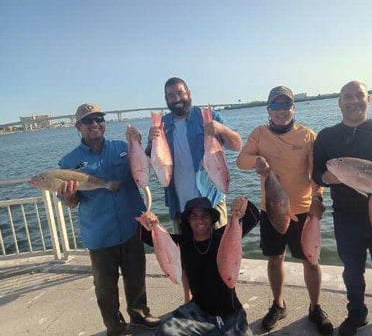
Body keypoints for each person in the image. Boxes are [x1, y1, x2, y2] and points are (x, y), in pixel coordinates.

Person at [312, 80, 372, 336]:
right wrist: (329, 178)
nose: (354, 101)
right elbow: (316, 175)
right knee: (352, 275)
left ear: (369, 99)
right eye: (348, 96)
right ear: (339, 102)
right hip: (346, 220)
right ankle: (357, 315)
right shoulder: (326, 136)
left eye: (359, 96)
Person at [236, 86, 334, 335]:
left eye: (286, 105)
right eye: (276, 106)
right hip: (272, 210)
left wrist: (318, 198)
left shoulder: (308, 136)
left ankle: (315, 307)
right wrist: (256, 161)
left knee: (311, 260)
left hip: (302, 210)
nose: (281, 111)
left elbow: (315, 172)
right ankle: (278, 304)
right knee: (274, 257)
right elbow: (241, 160)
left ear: (294, 107)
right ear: (268, 109)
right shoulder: (259, 133)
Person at [57, 103, 159, 336]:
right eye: (88, 121)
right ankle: (115, 327)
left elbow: (146, 167)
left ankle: (140, 315)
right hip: (99, 233)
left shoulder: (123, 148)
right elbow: (71, 203)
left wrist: (148, 143)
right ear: (78, 127)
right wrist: (69, 194)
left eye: (98, 119)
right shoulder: (69, 162)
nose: (95, 124)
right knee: (105, 288)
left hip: (132, 225)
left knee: (136, 277)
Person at [140, 196, 259, 336]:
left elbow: (253, 216)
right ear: (188, 221)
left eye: (205, 215)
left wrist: (241, 204)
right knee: (164, 331)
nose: (200, 219)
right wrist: (149, 222)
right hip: (197, 311)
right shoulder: (182, 244)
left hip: (231, 314)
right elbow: (146, 236)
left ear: (211, 219)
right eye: (194, 216)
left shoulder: (224, 237)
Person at [145, 77, 242, 234]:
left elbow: (237, 145)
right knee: (186, 253)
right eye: (171, 95)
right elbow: (149, 159)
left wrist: (222, 129)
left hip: (211, 200)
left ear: (188, 93)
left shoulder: (207, 115)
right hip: (179, 205)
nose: (176, 99)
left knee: (219, 251)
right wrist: (150, 142)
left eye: (180, 93)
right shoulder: (161, 124)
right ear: (166, 99)